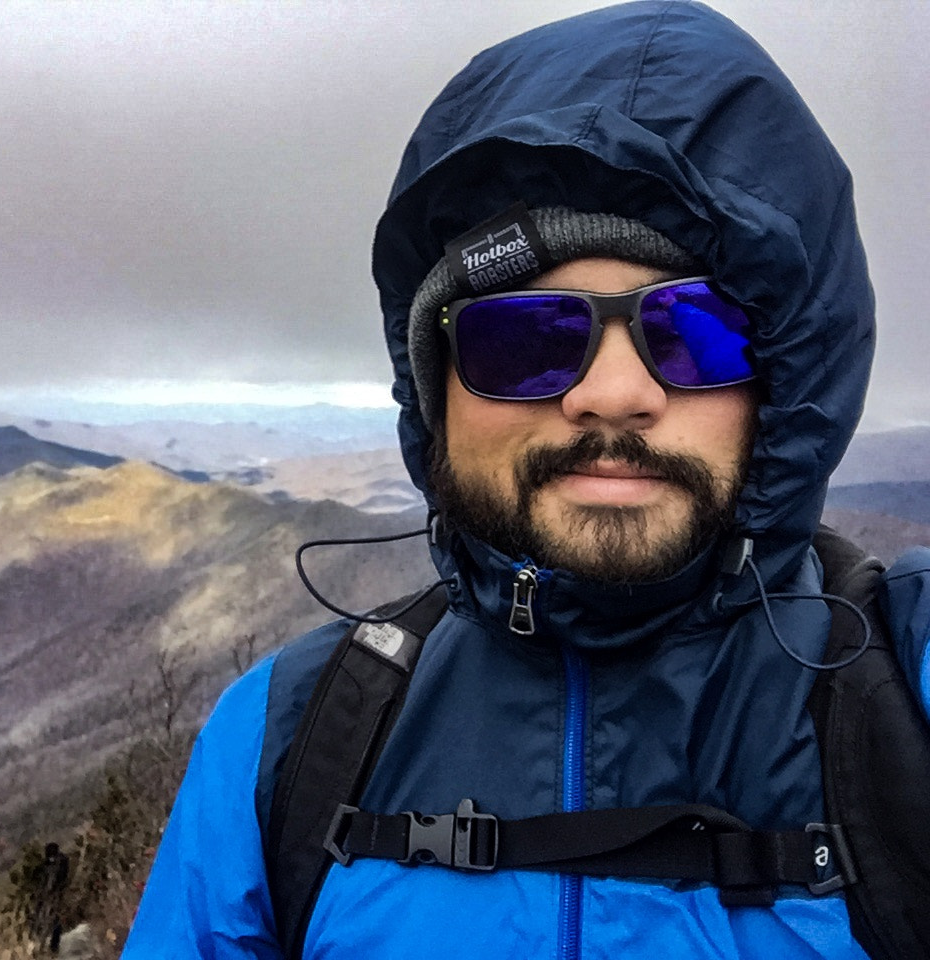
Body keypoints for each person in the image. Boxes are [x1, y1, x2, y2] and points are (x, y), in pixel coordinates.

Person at [123, 3, 930, 957]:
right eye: (525, 339)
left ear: (785, 386)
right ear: (436, 397)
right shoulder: (284, 741)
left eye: (696, 330)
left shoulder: (902, 689)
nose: (614, 393)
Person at [28, 841, 70, 955]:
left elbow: (46, 879)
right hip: (50, 895)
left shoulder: (56, 863)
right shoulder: (59, 862)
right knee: (52, 920)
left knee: (44, 919)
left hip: (49, 895)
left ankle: (46, 946)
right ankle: (50, 947)